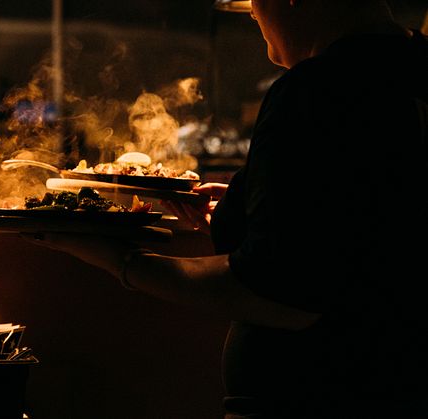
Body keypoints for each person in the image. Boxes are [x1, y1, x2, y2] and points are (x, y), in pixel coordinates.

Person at [28, 0, 428, 417]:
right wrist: (254, 212)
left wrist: (120, 259)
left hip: (319, 397)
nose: (253, 13)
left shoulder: (320, 87)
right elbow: (362, 230)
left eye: (256, 3)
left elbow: (281, 294)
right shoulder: (414, 63)